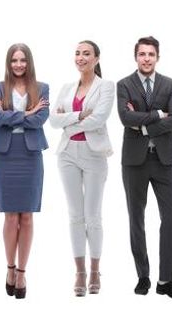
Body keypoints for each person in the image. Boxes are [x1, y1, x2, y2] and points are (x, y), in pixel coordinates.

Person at [117, 36, 172, 300]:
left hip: (164, 159)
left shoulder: (170, 85)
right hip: (134, 161)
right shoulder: (124, 84)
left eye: (151, 54)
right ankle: (143, 276)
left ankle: (165, 280)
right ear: (136, 56)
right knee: (136, 218)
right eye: (142, 54)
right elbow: (125, 117)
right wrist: (159, 114)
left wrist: (143, 124)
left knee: (171, 217)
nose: (146, 58)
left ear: (158, 57)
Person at [50, 40, 114, 297]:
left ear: (96, 58)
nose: (81, 57)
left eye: (86, 53)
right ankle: (80, 272)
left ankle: (96, 269)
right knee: (75, 214)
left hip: (94, 154)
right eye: (77, 53)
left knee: (93, 215)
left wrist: (68, 121)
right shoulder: (67, 88)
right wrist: (78, 116)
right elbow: (54, 121)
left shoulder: (106, 86)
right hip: (67, 154)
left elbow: (99, 118)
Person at [0, 43, 48, 300]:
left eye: (23, 60)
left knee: (27, 217)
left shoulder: (42, 88)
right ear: (8, 62)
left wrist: (11, 114)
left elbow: (39, 120)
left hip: (30, 155)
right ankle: (9, 269)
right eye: (14, 60)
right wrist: (26, 112)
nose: (19, 64)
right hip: (5, 154)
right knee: (10, 217)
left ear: (29, 62)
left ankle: (22, 272)